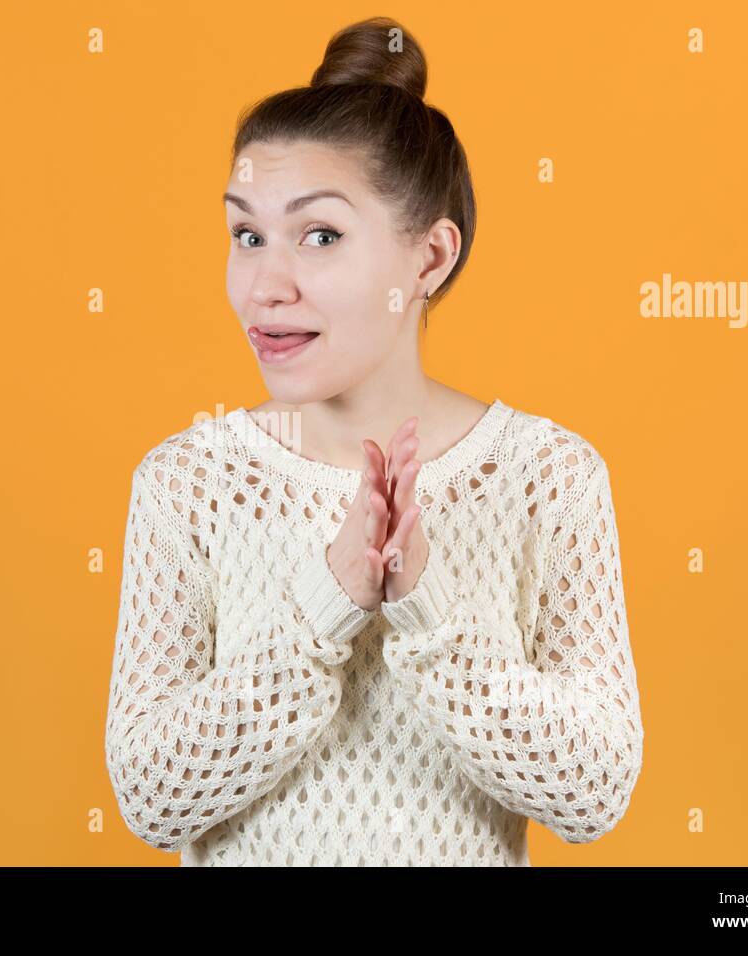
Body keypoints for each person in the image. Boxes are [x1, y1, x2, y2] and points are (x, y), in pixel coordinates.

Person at [103, 15, 644, 866]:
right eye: (247, 235)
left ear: (427, 259)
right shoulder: (189, 480)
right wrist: (328, 604)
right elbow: (150, 797)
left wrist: (426, 606)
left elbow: (593, 791)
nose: (265, 286)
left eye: (320, 236)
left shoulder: (548, 475)